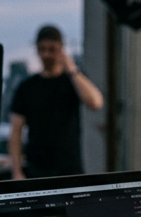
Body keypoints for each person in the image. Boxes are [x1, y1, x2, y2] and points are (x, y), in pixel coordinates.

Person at [8, 25, 104, 179]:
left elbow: (95, 102)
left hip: (70, 167)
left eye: (52, 49)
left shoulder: (72, 82)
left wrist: (71, 69)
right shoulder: (27, 87)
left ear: (61, 49)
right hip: (37, 168)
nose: (46, 54)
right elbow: (16, 131)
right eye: (42, 49)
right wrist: (16, 170)